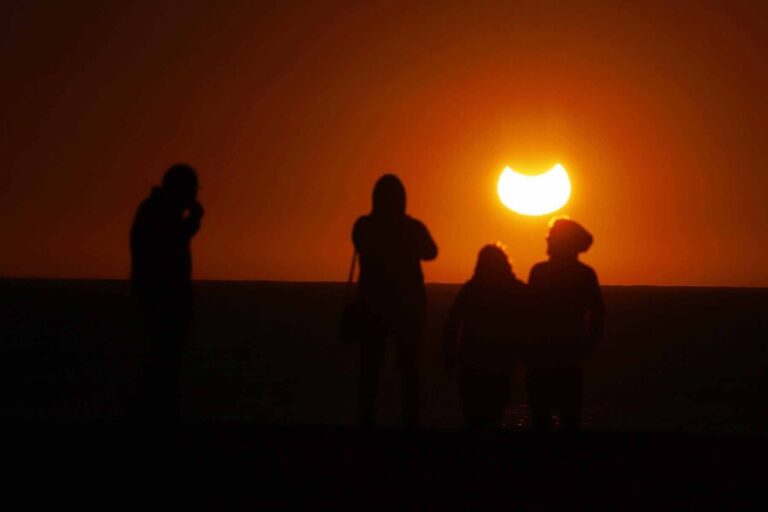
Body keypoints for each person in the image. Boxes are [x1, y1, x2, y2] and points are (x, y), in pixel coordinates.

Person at [352, 174, 437, 428]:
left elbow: (360, 243)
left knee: (371, 366)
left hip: (372, 304)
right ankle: (410, 420)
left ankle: (367, 418)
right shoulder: (412, 228)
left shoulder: (364, 225)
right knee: (408, 366)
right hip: (407, 306)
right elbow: (431, 252)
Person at [129, 163, 204, 420]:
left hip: (160, 298)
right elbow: (171, 242)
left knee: (164, 360)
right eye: (191, 190)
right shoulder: (157, 213)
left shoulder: (154, 211)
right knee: (163, 360)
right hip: (162, 300)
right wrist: (193, 220)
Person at [525, 217, 605, 432]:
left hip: (545, 351)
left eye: (551, 237)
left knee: (542, 415)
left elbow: (528, 312)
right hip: (568, 350)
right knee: (568, 414)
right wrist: (588, 345)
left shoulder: (540, 272)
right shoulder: (585, 274)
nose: (547, 240)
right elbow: (598, 313)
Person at [442, 244, 528, 429]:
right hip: (503, 361)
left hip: (471, 360)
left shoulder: (471, 289)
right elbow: (530, 324)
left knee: (472, 416)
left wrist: (448, 355)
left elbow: (452, 323)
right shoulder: (517, 289)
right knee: (494, 414)